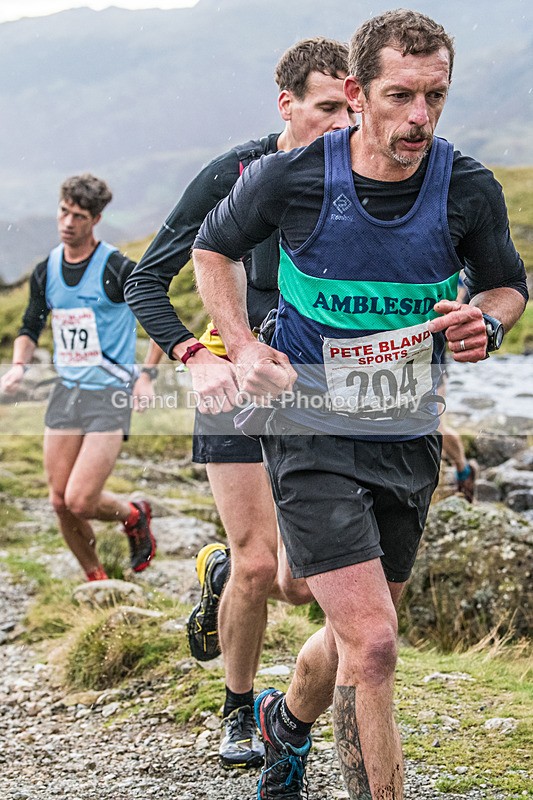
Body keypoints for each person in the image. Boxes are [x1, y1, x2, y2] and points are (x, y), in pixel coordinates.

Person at [192, 9, 527, 799]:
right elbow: (212, 249)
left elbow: (506, 286)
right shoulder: (296, 177)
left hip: (405, 432)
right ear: (356, 91)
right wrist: (241, 345)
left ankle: (283, 722)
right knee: (373, 645)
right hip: (306, 426)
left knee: (356, 639)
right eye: (400, 96)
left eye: (435, 97)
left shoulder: (465, 187)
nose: (419, 117)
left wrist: (486, 321)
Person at [125, 36, 354, 769]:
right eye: (324, 109)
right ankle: (237, 710)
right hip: (230, 382)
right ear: (285, 104)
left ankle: (219, 575)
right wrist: (193, 355)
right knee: (262, 566)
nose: (339, 124)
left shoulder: (361, 173)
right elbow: (145, 282)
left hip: (311, 389)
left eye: (348, 109)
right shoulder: (234, 173)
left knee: (297, 582)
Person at [1, 174, 161, 583]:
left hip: (109, 392)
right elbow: (29, 326)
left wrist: (146, 375)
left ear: (96, 219)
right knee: (59, 502)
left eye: (78, 216)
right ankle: (97, 579)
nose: (67, 222)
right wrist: (18, 366)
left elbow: (157, 315)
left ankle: (134, 514)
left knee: (81, 498)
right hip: (66, 392)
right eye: (63, 212)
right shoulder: (47, 271)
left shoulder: (115, 267)